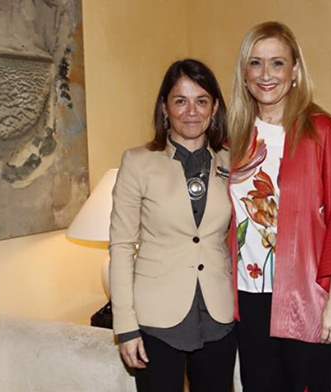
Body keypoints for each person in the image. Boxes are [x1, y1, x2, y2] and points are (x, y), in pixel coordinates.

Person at [228, 21, 331, 392]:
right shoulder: (234, 137)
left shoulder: (320, 132)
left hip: (307, 295)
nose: (266, 74)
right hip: (249, 299)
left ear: (295, 72)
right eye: (255, 63)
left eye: (277, 63)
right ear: (244, 74)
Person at [109, 59, 236, 392]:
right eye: (180, 100)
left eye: (201, 100)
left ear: (214, 108)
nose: (191, 111)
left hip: (218, 315)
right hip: (157, 318)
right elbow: (121, 246)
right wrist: (126, 326)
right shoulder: (137, 162)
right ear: (165, 107)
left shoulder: (233, 161)